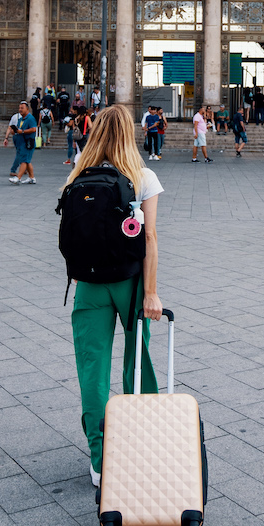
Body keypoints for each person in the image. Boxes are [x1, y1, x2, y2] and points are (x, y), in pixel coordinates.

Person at [62, 105, 163, 488]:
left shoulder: (77, 174)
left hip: (88, 283)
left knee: (92, 368)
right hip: (131, 282)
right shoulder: (142, 176)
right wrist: (150, 293)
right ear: (128, 134)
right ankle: (145, 441)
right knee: (137, 361)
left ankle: (100, 458)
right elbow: (149, 238)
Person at [5, 102, 33, 181]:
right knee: (20, 153)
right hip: (20, 137)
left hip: (17, 137)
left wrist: (6, 138)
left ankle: (23, 168)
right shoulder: (27, 117)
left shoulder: (15, 116)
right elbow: (10, 128)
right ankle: (13, 170)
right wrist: (6, 138)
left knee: (23, 153)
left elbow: (9, 128)